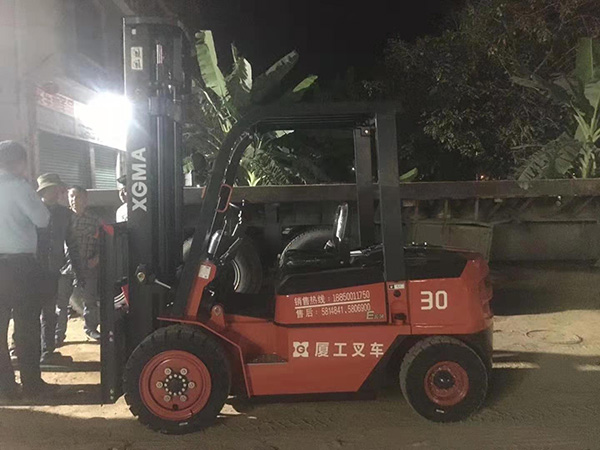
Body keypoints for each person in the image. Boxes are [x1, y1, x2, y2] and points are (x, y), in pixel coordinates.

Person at [0, 141, 57, 399]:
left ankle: (5, 388)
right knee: (26, 326)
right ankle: (31, 385)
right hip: (19, 268)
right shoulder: (19, 187)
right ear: (20, 162)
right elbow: (43, 219)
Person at [36, 173, 78, 363]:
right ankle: (24, 349)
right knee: (30, 311)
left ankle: (47, 350)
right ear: (44, 191)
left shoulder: (65, 214)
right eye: (53, 188)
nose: (57, 191)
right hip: (33, 269)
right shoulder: (33, 210)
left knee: (49, 311)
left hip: (54, 269)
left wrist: (77, 268)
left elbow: (72, 243)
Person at [68, 186, 101, 341]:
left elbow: (104, 242)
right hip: (66, 268)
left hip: (87, 265)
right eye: (71, 196)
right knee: (60, 304)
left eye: (78, 197)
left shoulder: (95, 221)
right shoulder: (64, 218)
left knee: (90, 300)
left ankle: (91, 328)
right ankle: (57, 335)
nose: (74, 200)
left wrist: (97, 258)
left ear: (85, 200)